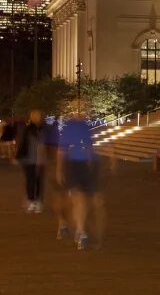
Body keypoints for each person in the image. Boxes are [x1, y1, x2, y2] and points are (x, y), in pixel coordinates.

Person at [57, 104, 100, 250]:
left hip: (83, 166)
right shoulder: (71, 126)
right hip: (74, 165)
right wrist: (59, 169)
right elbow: (61, 150)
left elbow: (89, 147)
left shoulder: (85, 126)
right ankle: (80, 231)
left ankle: (79, 230)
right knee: (78, 198)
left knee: (81, 200)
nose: (83, 112)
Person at [16, 110, 46, 213]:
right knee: (32, 180)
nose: (37, 118)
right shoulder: (31, 129)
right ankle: (32, 200)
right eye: (35, 116)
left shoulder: (40, 129)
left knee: (35, 180)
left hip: (35, 159)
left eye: (38, 116)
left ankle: (35, 200)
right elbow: (24, 143)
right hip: (30, 159)